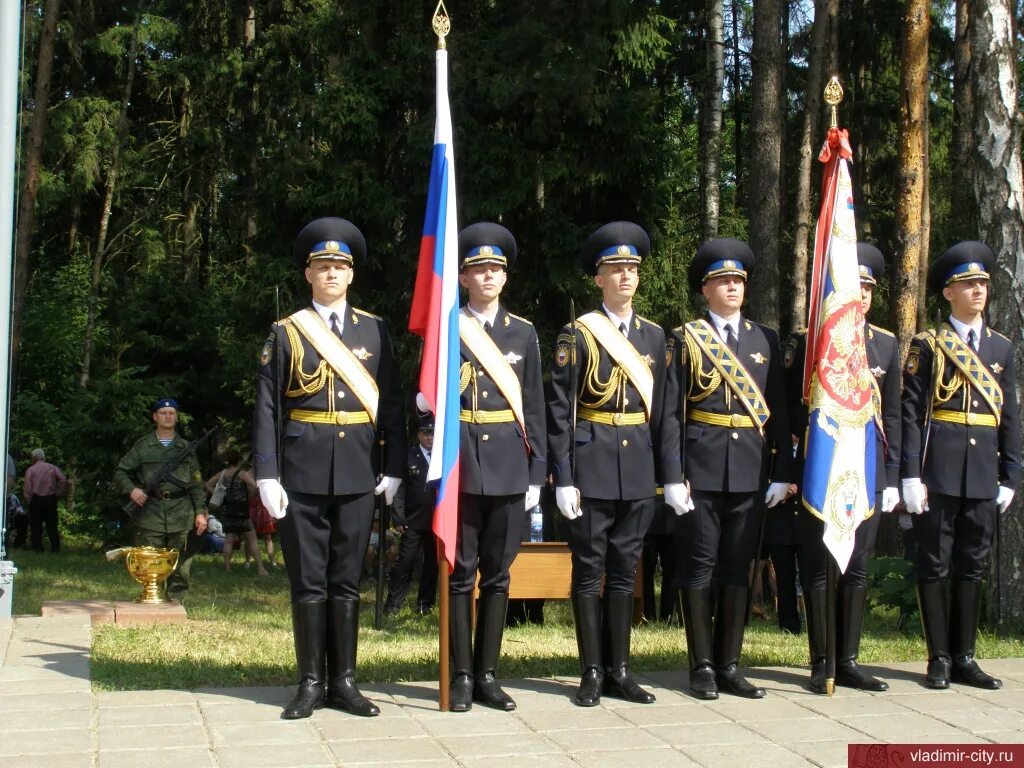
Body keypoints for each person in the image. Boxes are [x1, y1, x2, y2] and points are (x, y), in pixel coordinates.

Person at [253, 217, 404, 719]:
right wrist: (268, 472)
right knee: (308, 581)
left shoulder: (375, 330)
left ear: (351, 274)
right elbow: (268, 407)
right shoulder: (286, 331)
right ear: (308, 274)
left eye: (340, 265)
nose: (332, 273)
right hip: (302, 469)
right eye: (323, 265)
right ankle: (310, 681)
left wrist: (395, 466)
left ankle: (345, 681)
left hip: (359, 470)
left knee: (346, 580)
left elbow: (393, 405)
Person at [548, 221, 685, 708]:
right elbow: (561, 412)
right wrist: (563, 477)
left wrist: (671, 476)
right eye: (615, 269)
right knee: (589, 571)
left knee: (625, 570)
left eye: (632, 268)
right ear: (598, 278)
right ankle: (590, 670)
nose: (625, 276)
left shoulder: (654, 337)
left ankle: (620, 670)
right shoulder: (577, 335)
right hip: (592, 465)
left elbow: (666, 412)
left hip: (639, 470)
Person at [667, 238, 792, 700]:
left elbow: (776, 408)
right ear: (706, 289)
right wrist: (672, 474)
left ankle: (730, 664)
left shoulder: (765, 339)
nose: (733, 287)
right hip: (699, 469)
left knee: (738, 568)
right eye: (723, 280)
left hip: (750, 470)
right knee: (699, 567)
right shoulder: (685, 338)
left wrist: (783, 470)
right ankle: (701, 665)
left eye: (738, 280)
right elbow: (672, 413)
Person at [901, 241, 1020, 691]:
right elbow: (912, 414)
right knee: (934, 563)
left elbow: (1009, 415)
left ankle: (966, 655)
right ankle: (938, 656)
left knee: (973, 564)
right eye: (968, 284)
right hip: (939, 471)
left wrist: (1011, 473)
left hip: (982, 474)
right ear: (947, 292)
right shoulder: (928, 345)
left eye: (983, 284)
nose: (978, 291)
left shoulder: (1001, 348)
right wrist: (911, 474)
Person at [782, 242, 901, 694]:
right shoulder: (814, 340)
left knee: (858, 566)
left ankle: (849, 658)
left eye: (868, 288)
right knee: (818, 565)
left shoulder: (886, 344)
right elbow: (794, 410)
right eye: (856, 287)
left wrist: (890, 476)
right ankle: (821, 660)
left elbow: (891, 418)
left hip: (866, 467)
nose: (863, 296)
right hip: (824, 462)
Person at [446, 221, 546, 713]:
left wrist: (536, 475)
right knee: (461, 573)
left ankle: (488, 674)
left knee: (498, 575)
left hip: (509, 464)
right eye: (478, 269)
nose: (487, 276)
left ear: (505, 278)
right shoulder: (448, 327)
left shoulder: (523, 333)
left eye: (495, 269)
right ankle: (460, 674)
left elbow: (535, 407)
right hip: (462, 463)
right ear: (463, 277)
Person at [114, 398, 209, 601]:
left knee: (181, 566)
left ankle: (175, 605)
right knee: (151, 564)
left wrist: (200, 512)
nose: (168, 416)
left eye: (172, 413)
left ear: (176, 417)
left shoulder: (186, 448)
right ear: (155, 417)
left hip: (181, 514)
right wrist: (132, 491)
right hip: (151, 514)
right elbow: (121, 471)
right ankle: (153, 602)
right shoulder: (143, 446)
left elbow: (195, 483)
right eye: (163, 412)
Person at [383, 410, 439, 616]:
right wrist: (398, 517)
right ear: (418, 435)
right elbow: (399, 489)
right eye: (425, 433)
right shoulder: (409, 455)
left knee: (432, 564)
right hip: (413, 521)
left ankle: (425, 605)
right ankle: (393, 605)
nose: (430, 437)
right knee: (405, 562)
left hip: (436, 521)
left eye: (433, 433)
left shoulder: (442, 457)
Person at [205, 450, 266, 576]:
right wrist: (249, 497)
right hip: (242, 511)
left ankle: (227, 568)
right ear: (238, 461)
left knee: (228, 540)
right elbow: (254, 486)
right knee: (252, 540)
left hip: (228, 510)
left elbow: (208, 485)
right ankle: (260, 568)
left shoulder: (223, 473)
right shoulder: (242, 474)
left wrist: (220, 494)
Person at [23, 448, 68, 554]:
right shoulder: (53, 468)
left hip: (36, 499)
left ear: (34, 458)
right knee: (52, 525)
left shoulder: (30, 470)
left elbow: (28, 488)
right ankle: (55, 548)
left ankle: (38, 548)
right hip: (50, 499)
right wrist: (58, 492)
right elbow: (63, 480)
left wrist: (28, 500)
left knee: (36, 526)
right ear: (43, 457)